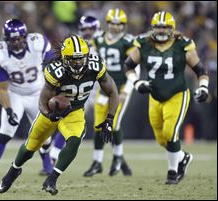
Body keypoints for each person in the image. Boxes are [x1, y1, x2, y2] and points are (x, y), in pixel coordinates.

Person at [0, 35, 119, 195]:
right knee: (30, 147)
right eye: (73, 59)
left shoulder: (95, 66)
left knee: (74, 141)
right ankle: (14, 170)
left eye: (81, 58)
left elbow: (113, 91)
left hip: (74, 111)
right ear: (64, 59)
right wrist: (49, 114)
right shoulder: (56, 71)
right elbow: (42, 101)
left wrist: (109, 119)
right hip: (53, 111)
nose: (77, 62)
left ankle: (52, 178)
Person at [124, 11, 209, 184]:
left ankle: (172, 172)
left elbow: (200, 71)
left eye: (165, 27)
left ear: (172, 29)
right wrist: (136, 83)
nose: (161, 30)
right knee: (162, 139)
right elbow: (128, 66)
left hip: (177, 94)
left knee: (170, 133)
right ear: (153, 28)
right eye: (158, 27)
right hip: (154, 96)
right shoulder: (144, 44)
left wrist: (203, 87)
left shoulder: (182, 45)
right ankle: (183, 157)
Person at [0, 19, 54, 184]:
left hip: (39, 92)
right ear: (6, 40)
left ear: (25, 36)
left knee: (44, 132)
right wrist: (8, 110)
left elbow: (52, 67)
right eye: (12, 40)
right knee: (6, 132)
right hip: (15, 94)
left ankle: (47, 163)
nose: (16, 42)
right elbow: (1, 88)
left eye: (19, 38)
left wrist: (52, 92)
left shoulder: (38, 43)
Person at [84, 8, 139, 177]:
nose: (115, 27)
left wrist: (129, 88)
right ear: (107, 24)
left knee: (114, 124)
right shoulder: (98, 39)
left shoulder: (129, 41)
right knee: (99, 127)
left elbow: (135, 66)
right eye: (112, 23)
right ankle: (97, 162)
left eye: (119, 24)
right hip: (104, 87)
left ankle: (117, 158)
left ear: (123, 25)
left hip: (121, 88)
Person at [49, 15, 102, 164]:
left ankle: (55, 153)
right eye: (85, 29)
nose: (88, 31)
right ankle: (54, 153)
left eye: (91, 28)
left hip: (97, 86)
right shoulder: (75, 42)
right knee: (71, 116)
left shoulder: (103, 41)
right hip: (77, 84)